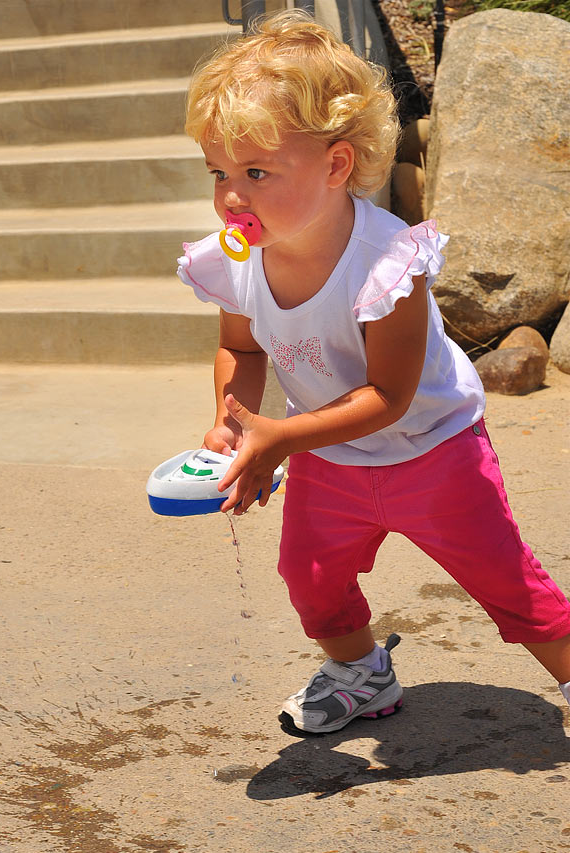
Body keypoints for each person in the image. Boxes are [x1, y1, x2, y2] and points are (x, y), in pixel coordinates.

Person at [176, 9, 570, 734]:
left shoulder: (387, 263)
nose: (233, 195)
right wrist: (237, 416)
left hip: (432, 448)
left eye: (257, 172)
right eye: (219, 172)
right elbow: (245, 346)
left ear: (335, 165)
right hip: (328, 454)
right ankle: (360, 671)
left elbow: (388, 396)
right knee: (310, 578)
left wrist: (282, 437)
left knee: (506, 579)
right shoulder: (237, 257)